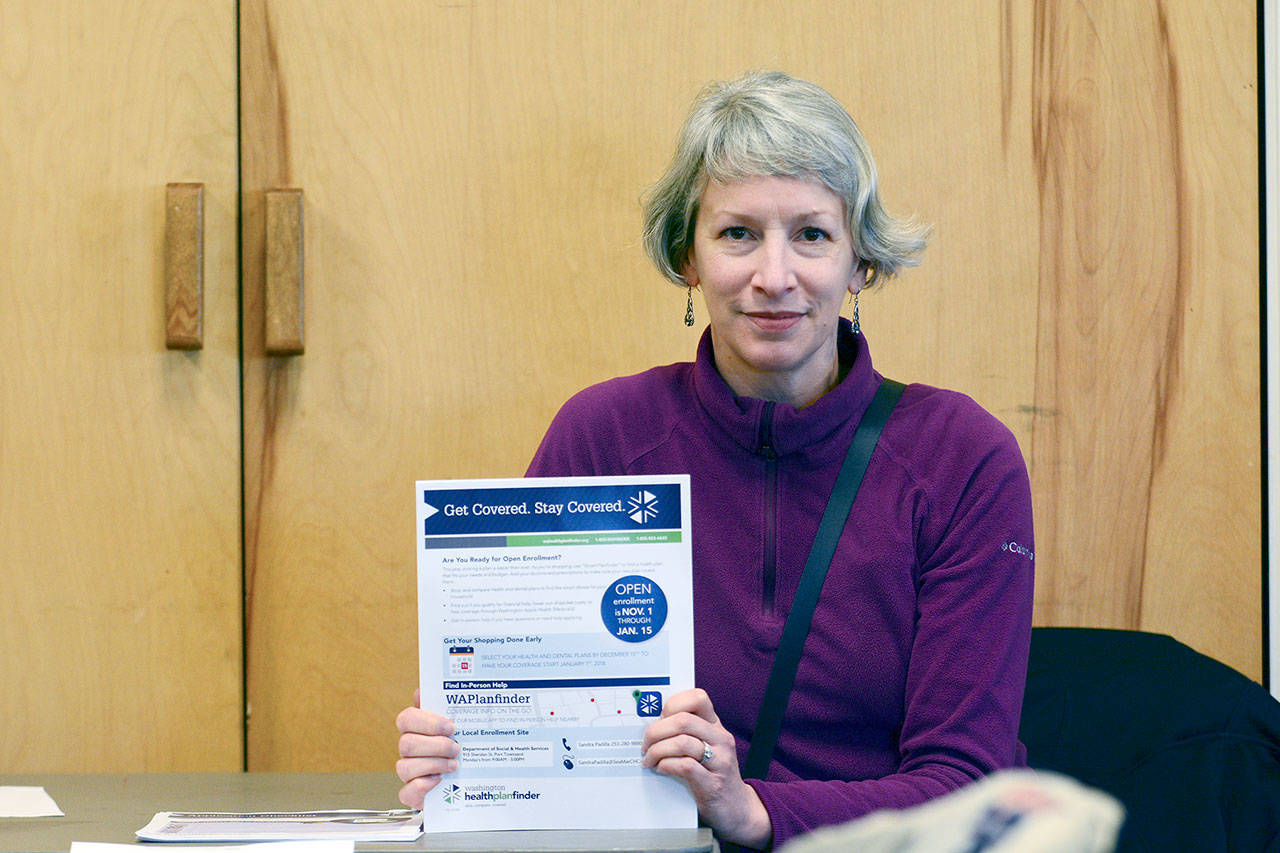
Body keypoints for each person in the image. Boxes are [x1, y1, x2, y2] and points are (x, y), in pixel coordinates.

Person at [396, 69, 1034, 851]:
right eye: (738, 234)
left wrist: (753, 810)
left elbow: (968, 783)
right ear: (688, 257)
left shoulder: (962, 458)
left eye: (812, 234)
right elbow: (535, 734)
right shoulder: (604, 436)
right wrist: (468, 754)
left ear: (860, 260)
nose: (774, 276)